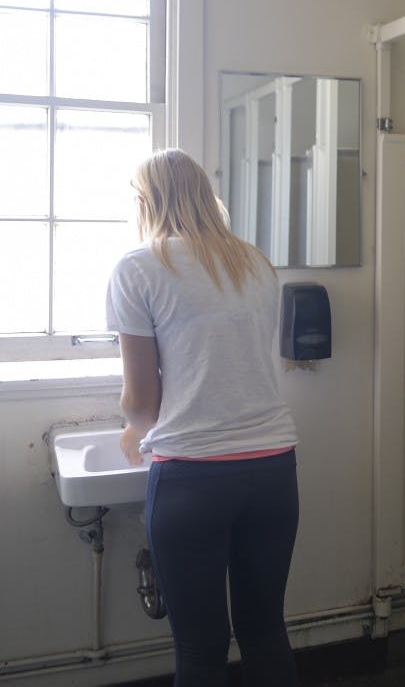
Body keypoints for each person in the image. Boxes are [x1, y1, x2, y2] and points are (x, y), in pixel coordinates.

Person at [106, 148, 300, 687]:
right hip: (273, 470)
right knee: (265, 631)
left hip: (191, 476)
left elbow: (140, 402)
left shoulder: (138, 267)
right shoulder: (253, 262)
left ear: (146, 201)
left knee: (200, 645)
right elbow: (226, 366)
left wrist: (135, 431)